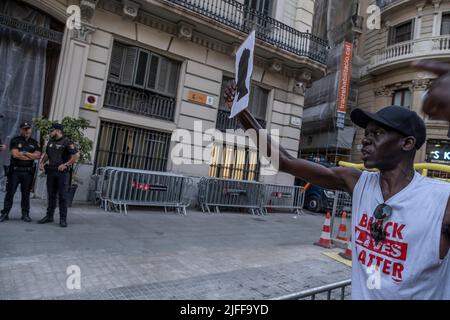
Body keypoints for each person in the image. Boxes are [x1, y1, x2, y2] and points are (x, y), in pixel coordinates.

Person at [224, 81, 450, 299]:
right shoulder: (356, 181)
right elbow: (284, 161)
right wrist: (242, 112)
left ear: (407, 143)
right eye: (367, 133)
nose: (365, 141)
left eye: (377, 133)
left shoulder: (441, 200)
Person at [38, 123, 79, 228]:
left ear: (57, 131)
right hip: (51, 171)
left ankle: (62, 219)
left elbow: (76, 155)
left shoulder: (67, 142)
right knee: (51, 195)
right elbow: (47, 154)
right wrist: (42, 163)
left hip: (62, 174)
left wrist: (66, 164)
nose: (50, 132)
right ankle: (49, 216)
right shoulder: (51, 141)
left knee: (63, 196)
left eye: (51, 131)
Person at [0, 122, 41, 222]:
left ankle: (25, 214)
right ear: (21, 130)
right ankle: (5, 213)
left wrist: (25, 153)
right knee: (10, 193)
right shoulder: (15, 140)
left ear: (31, 130)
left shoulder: (35, 142)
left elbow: (38, 156)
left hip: (28, 173)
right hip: (15, 172)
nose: (27, 131)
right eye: (24, 129)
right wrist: (30, 156)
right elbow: (15, 155)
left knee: (26, 194)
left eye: (28, 129)